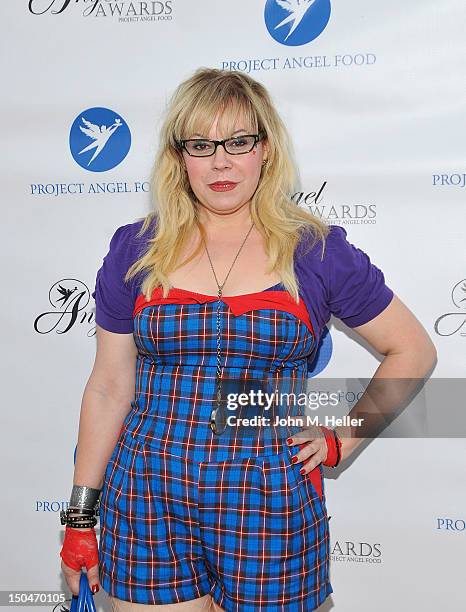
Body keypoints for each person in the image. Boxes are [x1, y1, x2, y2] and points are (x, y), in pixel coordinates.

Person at [59, 67, 437, 611]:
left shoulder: (315, 250)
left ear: (266, 150)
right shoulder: (135, 250)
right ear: (178, 156)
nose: (220, 161)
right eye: (201, 144)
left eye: (239, 141)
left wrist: (344, 436)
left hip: (270, 503)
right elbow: (108, 389)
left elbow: (414, 350)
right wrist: (79, 515)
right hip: (145, 497)